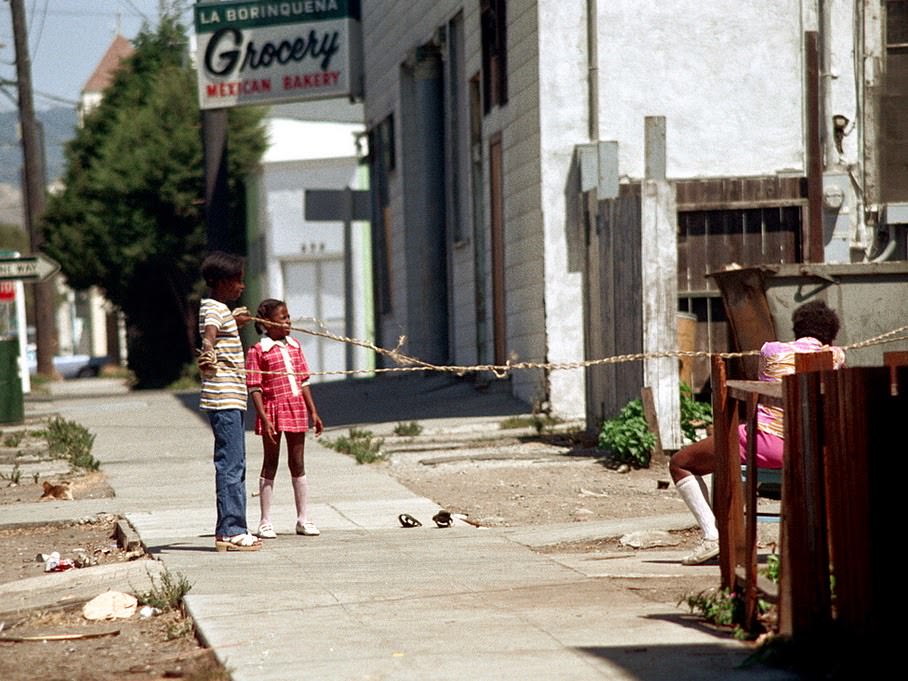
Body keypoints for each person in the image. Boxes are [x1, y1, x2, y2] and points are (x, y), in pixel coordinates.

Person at [670, 300, 845, 565]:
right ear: (830, 335)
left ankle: (712, 535)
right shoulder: (836, 357)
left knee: (680, 462)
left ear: (796, 328)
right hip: (812, 448)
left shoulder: (771, 351)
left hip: (765, 444)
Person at [197, 252, 261, 552]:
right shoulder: (214, 310)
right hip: (224, 400)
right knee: (231, 466)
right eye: (237, 280)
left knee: (236, 464)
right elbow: (210, 333)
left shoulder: (220, 309)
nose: (242, 286)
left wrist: (233, 320)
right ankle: (232, 530)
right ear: (221, 282)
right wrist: (207, 348)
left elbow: (218, 325)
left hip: (231, 399)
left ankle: (230, 527)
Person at [245, 298, 324, 538]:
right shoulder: (258, 351)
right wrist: (264, 417)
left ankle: (303, 519)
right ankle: (265, 521)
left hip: (296, 407)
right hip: (272, 410)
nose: (289, 322)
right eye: (283, 318)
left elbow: (303, 380)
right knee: (271, 462)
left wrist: (313, 411)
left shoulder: (295, 346)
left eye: (289, 317)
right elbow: (254, 387)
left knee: (297, 462)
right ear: (267, 324)